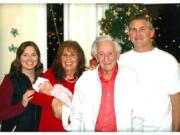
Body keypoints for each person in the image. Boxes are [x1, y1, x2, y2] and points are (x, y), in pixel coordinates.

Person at [119, 14, 180, 131]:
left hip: (161, 129)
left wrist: (176, 131)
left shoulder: (168, 61)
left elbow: (177, 102)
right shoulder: (120, 60)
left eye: (142, 29)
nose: (137, 34)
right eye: (133, 30)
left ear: (152, 33)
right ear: (129, 34)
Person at [69, 35, 139, 131]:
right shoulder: (85, 80)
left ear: (117, 55)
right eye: (101, 54)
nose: (106, 59)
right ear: (96, 57)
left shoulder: (130, 76)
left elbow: (138, 115)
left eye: (110, 53)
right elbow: (76, 116)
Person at [31, 40, 86, 131]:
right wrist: (52, 101)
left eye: (72, 55)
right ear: (60, 58)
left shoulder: (85, 80)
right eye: (64, 55)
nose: (68, 58)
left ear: (79, 58)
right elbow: (33, 95)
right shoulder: (50, 74)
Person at [0, 41, 43, 131]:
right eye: (25, 55)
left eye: (33, 55)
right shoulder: (10, 80)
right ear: (19, 58)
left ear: (38, 58)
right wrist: (22, 105)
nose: (30, 59)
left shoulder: (43, 80)